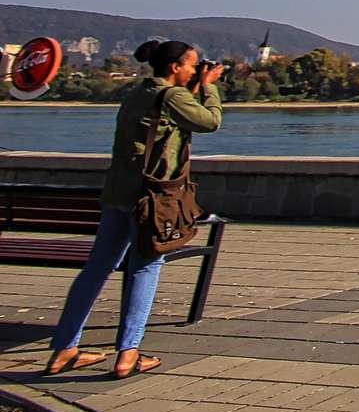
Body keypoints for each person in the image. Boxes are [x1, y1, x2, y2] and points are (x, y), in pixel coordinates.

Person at [43, 40, 224, 378]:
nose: (194, 70)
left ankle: (64, 348)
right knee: (144, 268)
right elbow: (210, 121)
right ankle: (129, 352)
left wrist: (197, 84)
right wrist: (209, 87)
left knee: (95, 271)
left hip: (117, 195)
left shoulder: (136, 93)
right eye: (191, 65)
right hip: (150, 200)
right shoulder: (172, 96)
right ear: (174, 67)